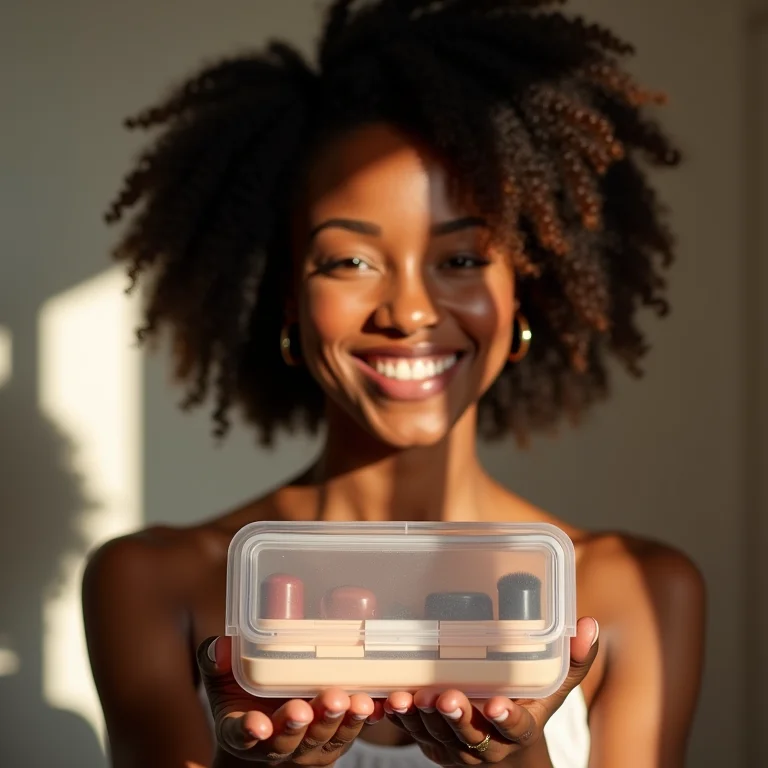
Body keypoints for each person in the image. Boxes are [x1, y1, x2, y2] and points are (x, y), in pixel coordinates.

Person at [83, 1, 706, 766]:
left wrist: (519, 760)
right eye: (350, 261)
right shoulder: (152, 584)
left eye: (464, 259)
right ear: (289, 299)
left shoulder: (634, 591)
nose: (410, 311)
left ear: (523, 295)